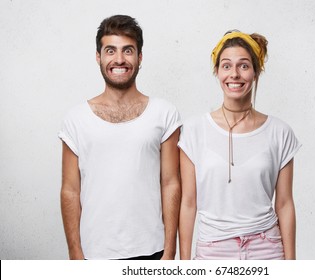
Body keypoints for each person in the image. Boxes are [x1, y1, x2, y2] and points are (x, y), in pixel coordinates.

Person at [58, 15, 181, 260]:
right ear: (98, 57)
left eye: (128, 50)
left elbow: (171, 183)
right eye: (110, 50)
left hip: (152, 250)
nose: (119, 59)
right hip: (94, 253)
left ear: (140, 57)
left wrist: (169, 250)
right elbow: (70, 190)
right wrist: (75, 252)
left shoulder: (165, 114)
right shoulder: (75, 119)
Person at [178, 30, 301, 260]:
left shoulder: (280, 132)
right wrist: (185, 264)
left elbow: (284, 204)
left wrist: (291, 265)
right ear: (217, 71)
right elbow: (188, 203)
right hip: (213, 249)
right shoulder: (194, 131)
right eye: (226, 66)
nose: (234, 74)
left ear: (256, 72)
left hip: (267, 248)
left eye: (243, 66)